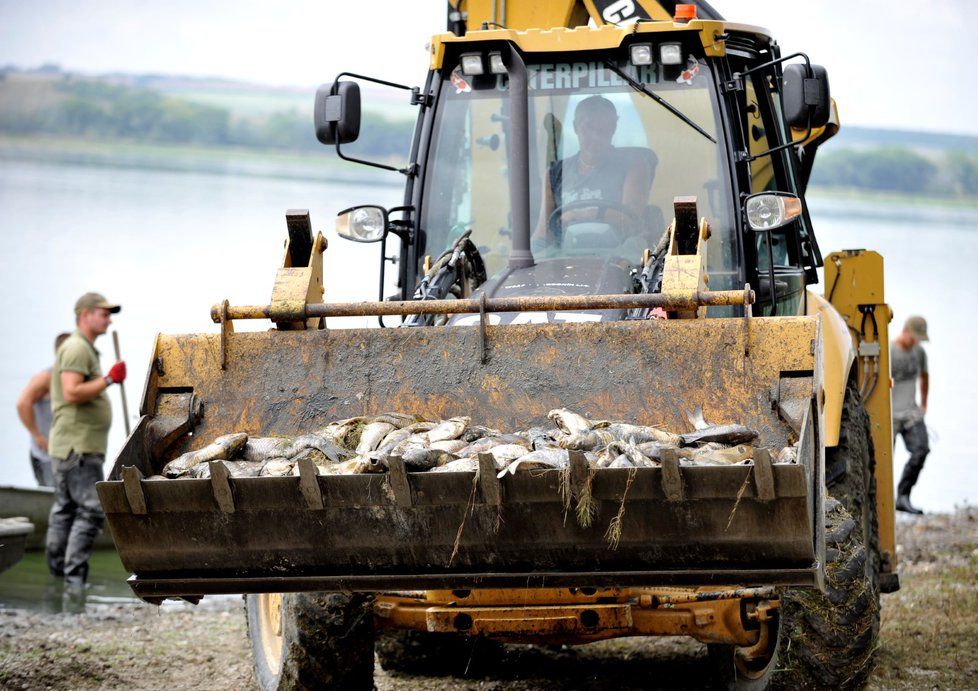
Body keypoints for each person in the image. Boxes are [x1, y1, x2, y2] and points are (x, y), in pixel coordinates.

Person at [47, 292, 126, 586]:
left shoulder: (82, 348)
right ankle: (74, 580)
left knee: (65, 511)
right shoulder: (77, 348)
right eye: (103, 313)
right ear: (85, 315)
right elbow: (71, 392)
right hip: (78, 448)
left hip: (71, 446)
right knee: (90, 511)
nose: (109, 319)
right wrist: (108, 379)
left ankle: (60, 580)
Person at [534, 95, 655, 244]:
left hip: (620, 258)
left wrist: (585, 214)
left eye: (603, 128)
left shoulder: (634, 165)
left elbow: (630, 221)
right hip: (564, 258)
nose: (596, 135)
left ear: (613, 128)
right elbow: (542, 231)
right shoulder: (554, 173)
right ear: (575, 127)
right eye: (589, 127)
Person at [16, 332, 72, 487]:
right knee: (53, 499)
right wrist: (37, 436)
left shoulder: (73, 377)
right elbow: (22, 404)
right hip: (47, 455)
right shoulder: (46, 377)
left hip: (68, 454)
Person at [892, 315, 930, 514]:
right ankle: (880, 503)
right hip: (890, 415)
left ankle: (903, 495)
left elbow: (924, 377)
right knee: (883, 460)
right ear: (905, 331)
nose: (915, 342)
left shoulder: (919, 352)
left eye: (918, 339)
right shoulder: (889, 350)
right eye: (913, 337)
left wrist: (923, 405)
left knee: (921, 449)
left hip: (910, 414)